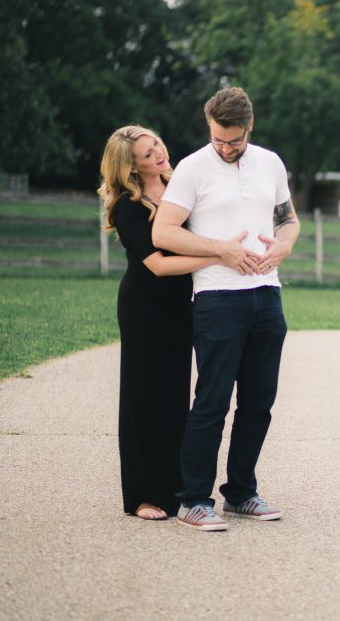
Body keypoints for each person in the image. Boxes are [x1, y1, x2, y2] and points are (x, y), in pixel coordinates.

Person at [153, 87, 300, 532]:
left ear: (249, 127)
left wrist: (284, 245)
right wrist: (221, 251)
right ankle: (194, 500)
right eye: (218, 139)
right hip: (217, 298)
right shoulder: (194, 168)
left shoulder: (271, 163)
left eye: (233, 140)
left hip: (267, 295)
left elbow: (288, 218)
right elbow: (164, 232)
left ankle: (240, 493)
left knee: (259, 402)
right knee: (212, 402)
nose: (225, 148)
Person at [98, 126, 223, 521]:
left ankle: (174, 489)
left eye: (157, 146)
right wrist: (217, 257)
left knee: (174, 398)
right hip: (144, 308)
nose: (159, 154)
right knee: (143, 398)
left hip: (180, 307)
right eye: (148, 154)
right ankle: (142, 496)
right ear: (130, 167)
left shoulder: (178, 186)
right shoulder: (127, 206)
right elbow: (158, 265)